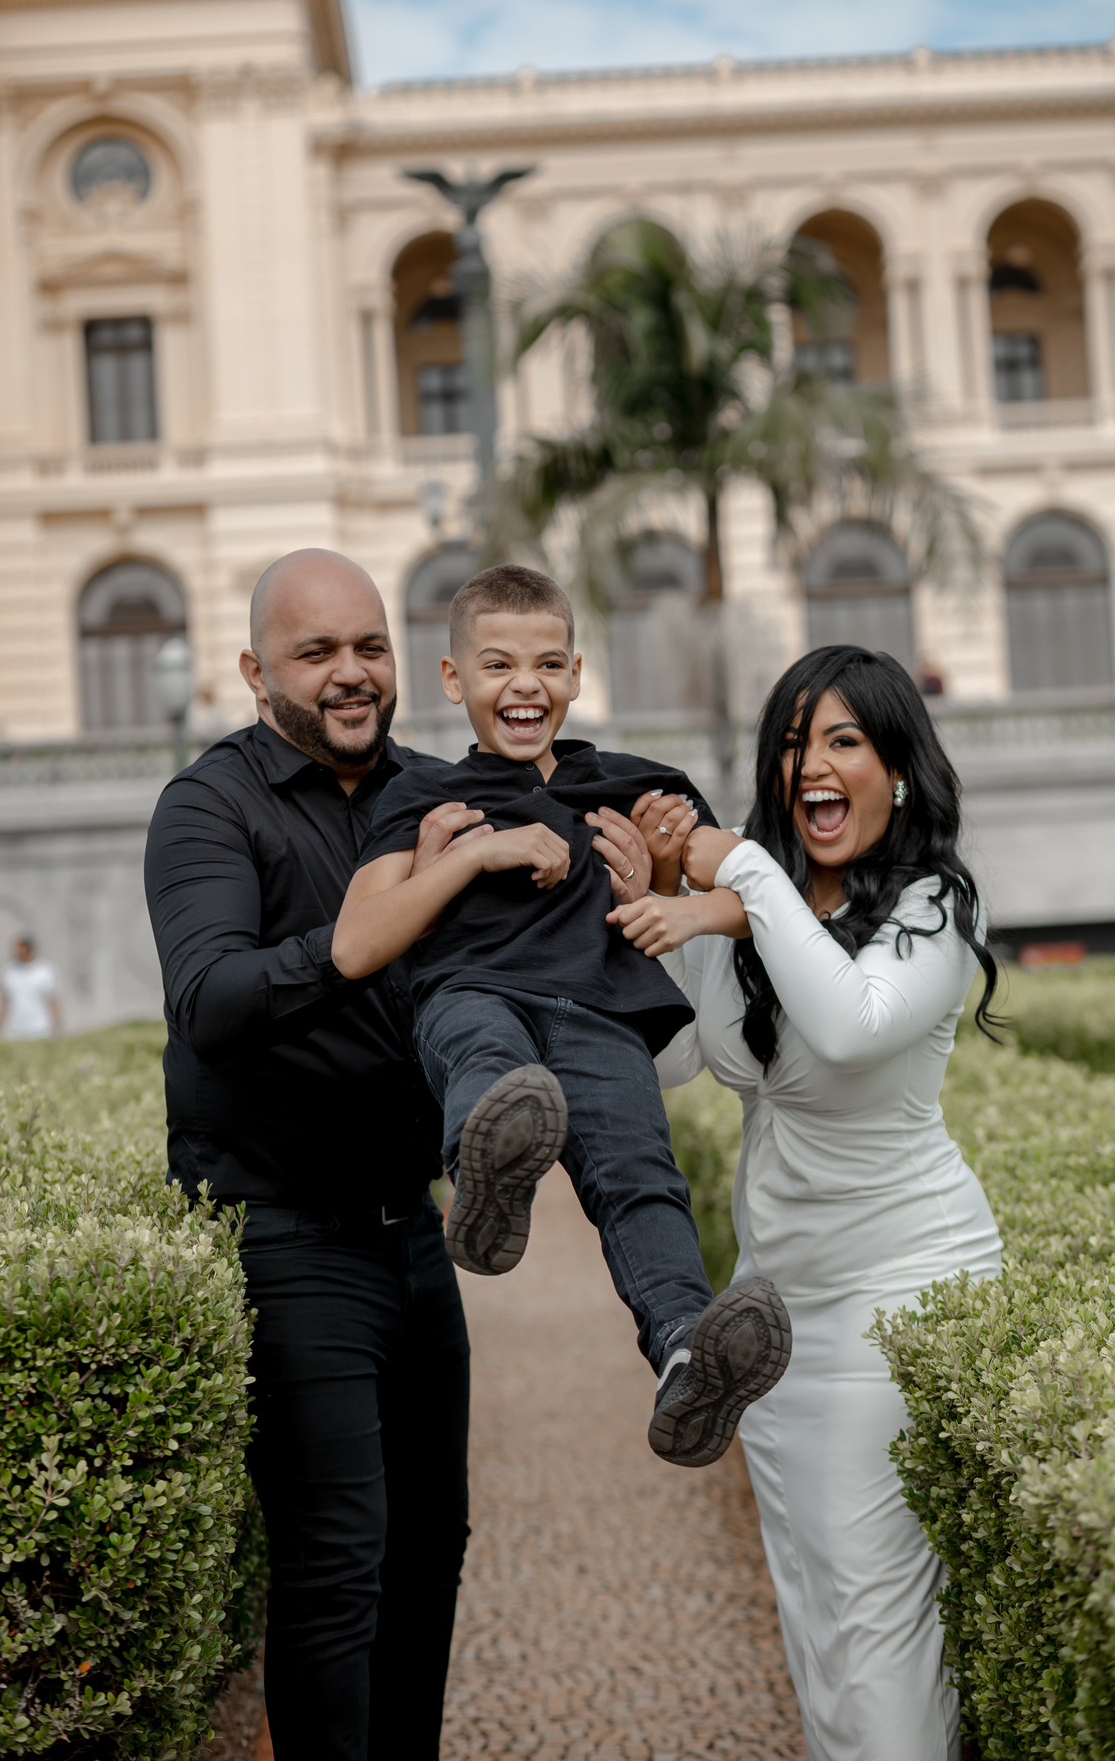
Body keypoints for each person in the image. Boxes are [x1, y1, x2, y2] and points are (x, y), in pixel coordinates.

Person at [147, 548, 586, 1761]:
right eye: (317, 652)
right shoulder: (209, 806)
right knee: (335, 1564)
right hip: (284, 1237)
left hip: (414, 1236)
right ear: (256, 672)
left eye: (370, 647)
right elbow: (210, 1000)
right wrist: (356, 940)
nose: (351, 674)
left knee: (429, 1549)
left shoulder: (442, 794)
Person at [613, 644, 1003, 1761]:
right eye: (793, 743)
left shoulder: (934, 905)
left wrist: (739, 879)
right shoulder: (755, 905)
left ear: (901, 770)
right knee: (822, 1636)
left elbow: (847, 1024)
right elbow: (670, 1063)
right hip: (772, 1324)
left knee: (878, 1641)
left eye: (844, 740)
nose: (813, 765)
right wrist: (650, 906)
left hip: (901, 1299)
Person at [332, 563, 792, 1469]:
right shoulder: (425, 799)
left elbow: (761, 892)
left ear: (578, 675)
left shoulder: (637, 785)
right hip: (471, 993)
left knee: (642, 1177)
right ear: (453, 680)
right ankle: (485, 1177)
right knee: (490, 1063)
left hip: (600, 1011)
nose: (527, 686)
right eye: (498, 665)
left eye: (548, 664)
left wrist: (667, 886)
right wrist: (469, 858)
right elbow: (353, 944)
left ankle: (685, 1353)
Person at [0, 935, 62, 1038]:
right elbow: (4, 1001)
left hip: (40, 1028)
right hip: (14, 1029)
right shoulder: (8, 972)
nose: (15, 951)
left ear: (27, 948)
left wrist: (58, 1026)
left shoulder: (45, 971)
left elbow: (52, 1000)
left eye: (18, 947)